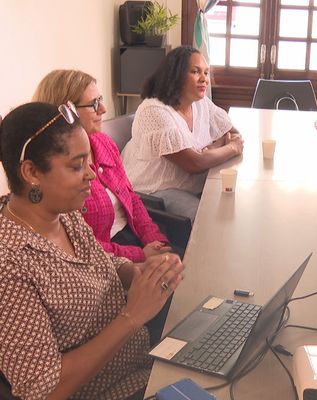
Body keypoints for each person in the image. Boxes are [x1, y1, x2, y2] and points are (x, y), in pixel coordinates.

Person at [0, 102, 185, 399]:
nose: (91, 175)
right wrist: (132, 316)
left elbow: (100, 262)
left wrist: (137, 273)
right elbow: (42, 390)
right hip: (110, 392)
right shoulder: (10, 264)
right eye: (76, 166)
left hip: (142, 365)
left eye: (88, 162)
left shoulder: (64, 213)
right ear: (31, 172)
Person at [33, 69, 174, 262]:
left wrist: (154, 239)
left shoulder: (103, 142)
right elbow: (76, 244)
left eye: (100, 99)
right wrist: (141, 255)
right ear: (66, 111)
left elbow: (131, 197)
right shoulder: (55, 168)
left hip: (132, 239)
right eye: (94, 104)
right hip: (103, 260)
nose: (103, 109)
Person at [122, 46, 244, 222]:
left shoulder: (200, 103)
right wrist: (231, 148)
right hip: (154, 191)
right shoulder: (154, 109)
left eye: (206, 73)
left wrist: (210, 150)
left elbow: (232, 132)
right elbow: (193, 164)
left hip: (192, 184)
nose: (204, 79)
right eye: (195, 72)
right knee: (209, 221)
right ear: (176, 75)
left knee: (236, 208)